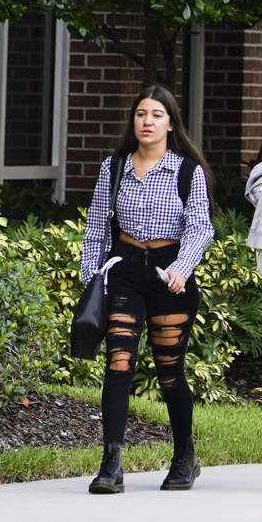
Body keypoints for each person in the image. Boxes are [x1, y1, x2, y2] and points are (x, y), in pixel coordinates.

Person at [77, 83, 215, 495]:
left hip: (168, 275)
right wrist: (92, 277)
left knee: (170, 371)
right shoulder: (114, 166)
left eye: (156, 114)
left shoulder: (187, 171)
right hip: (123, 270)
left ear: (170, 123)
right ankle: (111, 464)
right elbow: (98, 224)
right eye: (141, 114)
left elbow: (200, 227)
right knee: (119, 361)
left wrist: (182, 268)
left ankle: (185, 457)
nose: (147, 121)